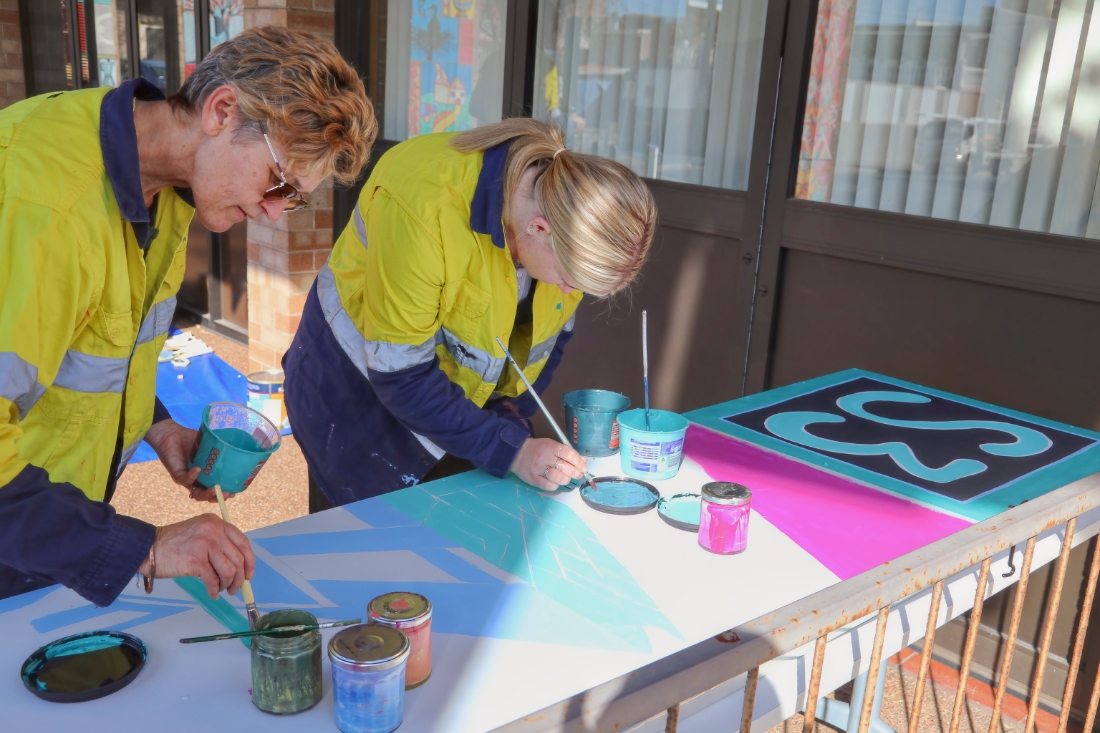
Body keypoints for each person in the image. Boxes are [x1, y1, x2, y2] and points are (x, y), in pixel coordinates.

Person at [0, 26, 376, 605]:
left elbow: (95, 343)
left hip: (43, 524)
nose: (275, 215)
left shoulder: (165, 184)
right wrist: (143, 548)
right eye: (279, 183)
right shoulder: (46, 209)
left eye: (294, 197)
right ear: (222, 110)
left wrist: (156, 426)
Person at [284, 119, 656, 510]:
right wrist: (511, 451)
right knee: (360, 554)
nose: (569, 291)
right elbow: (401, 376)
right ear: (538, 228)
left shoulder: (559, 227)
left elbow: (548, 343)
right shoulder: (423, 204)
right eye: (568, 279)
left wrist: (508, 424)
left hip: (447, 411)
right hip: (353, 405)